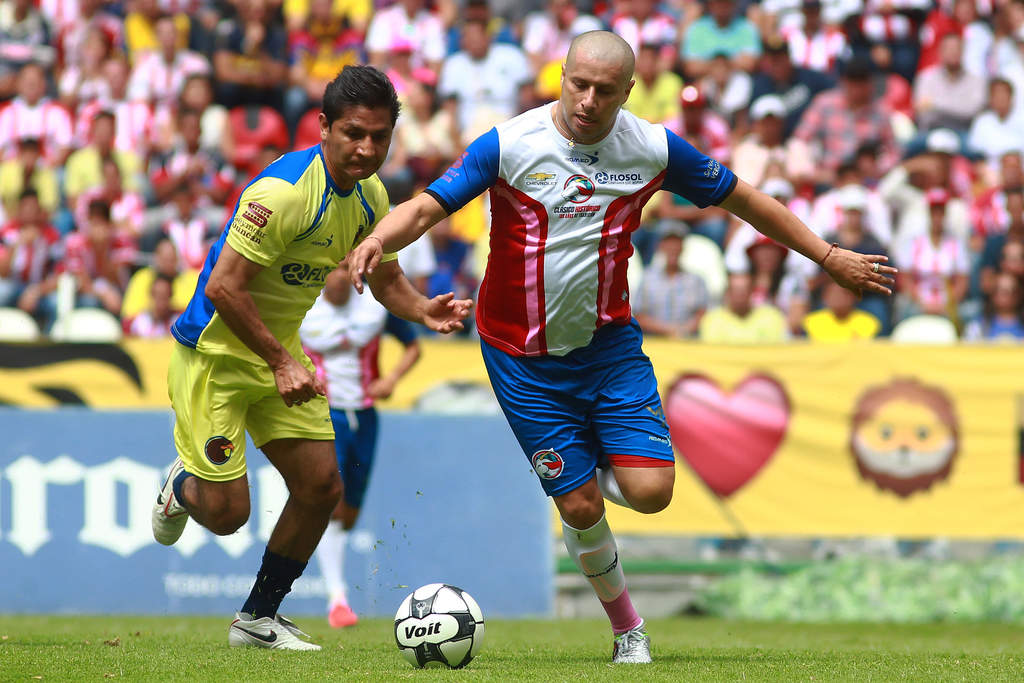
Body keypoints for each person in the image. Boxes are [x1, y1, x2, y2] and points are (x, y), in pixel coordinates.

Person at [346, 30, 893, 664]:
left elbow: (743, 198)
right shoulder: (510, 145)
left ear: (628, 92)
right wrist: (378, 241)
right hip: (521, 360)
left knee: (653, 494)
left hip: (608, 349)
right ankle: (627, 629)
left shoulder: (652, 148)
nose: (588, 101)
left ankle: (588, 460)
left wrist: (826, 255)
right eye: (579, 84)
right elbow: (425, 208)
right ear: (562, 76)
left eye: (605, 91)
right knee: (578, 503)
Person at [149, 65, 471, 651]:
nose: (366, 148)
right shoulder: (283, 193)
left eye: (379, 136)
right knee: (226, 516)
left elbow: (386, 276)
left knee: (322, 487)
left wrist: (423, 310)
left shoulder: (371, 195)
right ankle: (181, 483)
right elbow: (224, 287)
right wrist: (279, 361)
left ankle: (257, 619)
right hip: (217, 357)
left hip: (278, 358)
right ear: (323, 127)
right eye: (353, 133)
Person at [299, 261, 421, 628]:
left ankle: (337, 594)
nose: (338, 277)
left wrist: (392, 380)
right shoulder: (303, 309)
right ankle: (337, 600)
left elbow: (413, 347)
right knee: (331, 502)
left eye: (344, 269)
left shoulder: (374, 307)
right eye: (332, 270)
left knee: (348, 514)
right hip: (326, 414)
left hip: (366, 415)